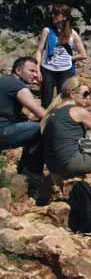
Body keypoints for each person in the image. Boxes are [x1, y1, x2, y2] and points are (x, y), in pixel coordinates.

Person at [41, 77, 91, 195]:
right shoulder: (79, 112)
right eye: (85, 94)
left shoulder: (53, 111)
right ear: (72, 94)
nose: (88, 97)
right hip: (70, 165)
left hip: (52, 166)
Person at [0, 57, 46, 197]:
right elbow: (38, 111)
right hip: (2, 131)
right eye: (31, 70)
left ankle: (25, 173)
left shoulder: (5, 80)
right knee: (42, 129)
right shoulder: (17, 85)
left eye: (37, 71)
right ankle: (31, 178)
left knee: (28, 124)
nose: (35, 74)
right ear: (19, 71)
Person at [34, 4, 88, 107]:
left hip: (64, 70)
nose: (53, 16)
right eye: (53, 13)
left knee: (63, 99)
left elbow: (83, 54)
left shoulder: (73, 33)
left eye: (57, 14)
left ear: (65, 17)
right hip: (47, 69)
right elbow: (39, 50)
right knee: (46, 99)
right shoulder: (47, 31)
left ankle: (59, 121)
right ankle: (44, 121)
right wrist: (37, 69)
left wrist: (69, 58)